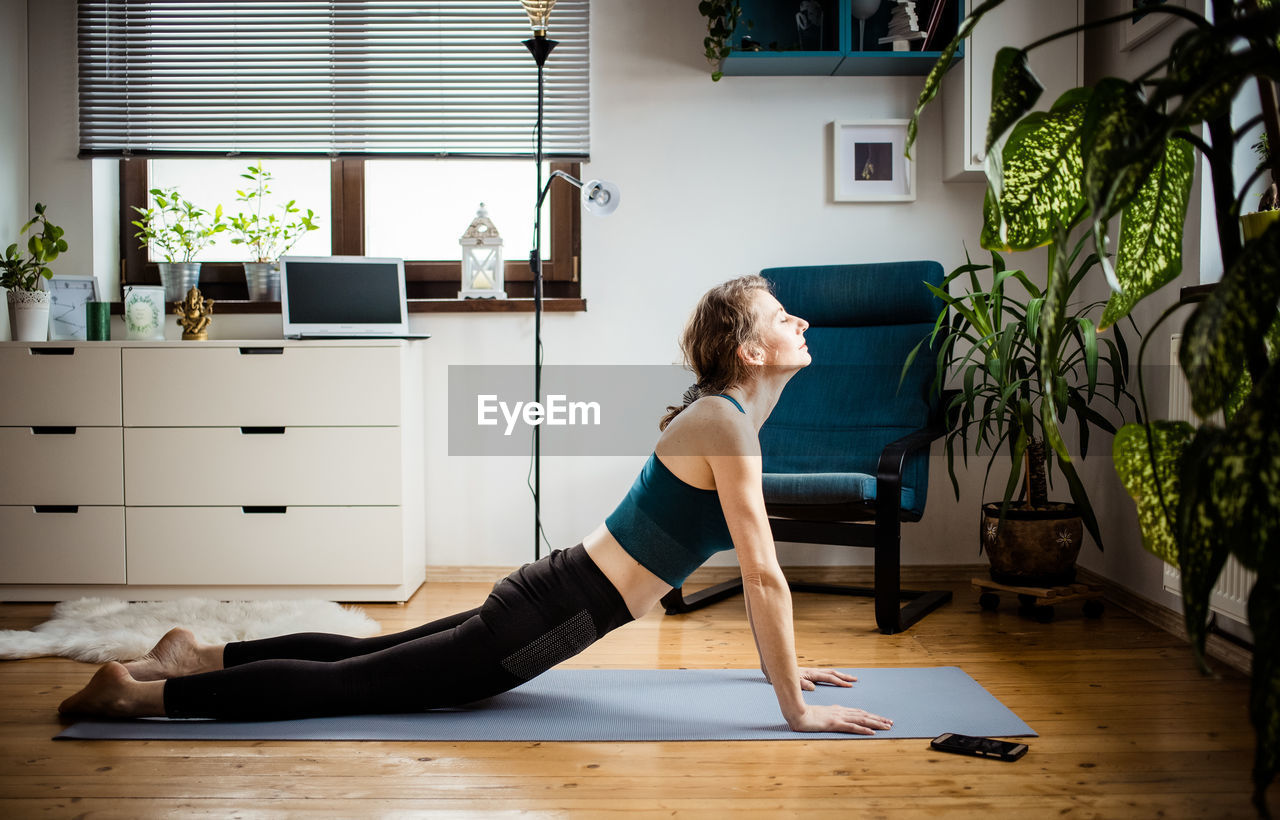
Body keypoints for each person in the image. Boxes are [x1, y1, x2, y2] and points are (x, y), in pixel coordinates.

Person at [59, 275, 893, 736]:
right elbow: (764, 577)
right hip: (557, 611)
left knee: (372, 658)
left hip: (555, 590)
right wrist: (794, 703)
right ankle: (137, 698)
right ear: (752, 350)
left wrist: (781, 664)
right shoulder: (727, 425)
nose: (805, 321)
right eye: (787, 318)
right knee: (360, 685)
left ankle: (195, 655)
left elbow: (756, 579)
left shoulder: (725, 417)